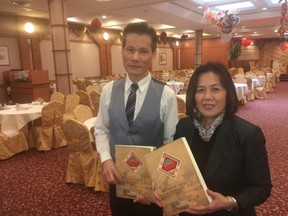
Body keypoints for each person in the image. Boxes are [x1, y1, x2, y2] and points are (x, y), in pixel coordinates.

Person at [162, 61, 272, 216]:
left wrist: (229, 202)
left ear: (228, 93)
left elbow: (261, 188)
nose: (207, 97)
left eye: (215, 89)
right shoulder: (184, 126)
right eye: (200, 90)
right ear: (193, 95)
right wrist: (163, 189)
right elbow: (176, 171)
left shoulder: (248, 134)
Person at [94, 22, 178, 216]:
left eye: (143, 51)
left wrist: (161, 182)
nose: (135, 57)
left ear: (153, 55)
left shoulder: (166, 94)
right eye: (130, 50)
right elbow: (101, 129)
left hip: (151, 184)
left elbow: (170, 142)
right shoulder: (108, 90)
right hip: (118, 177)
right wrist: (106, 160)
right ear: (122, 51)